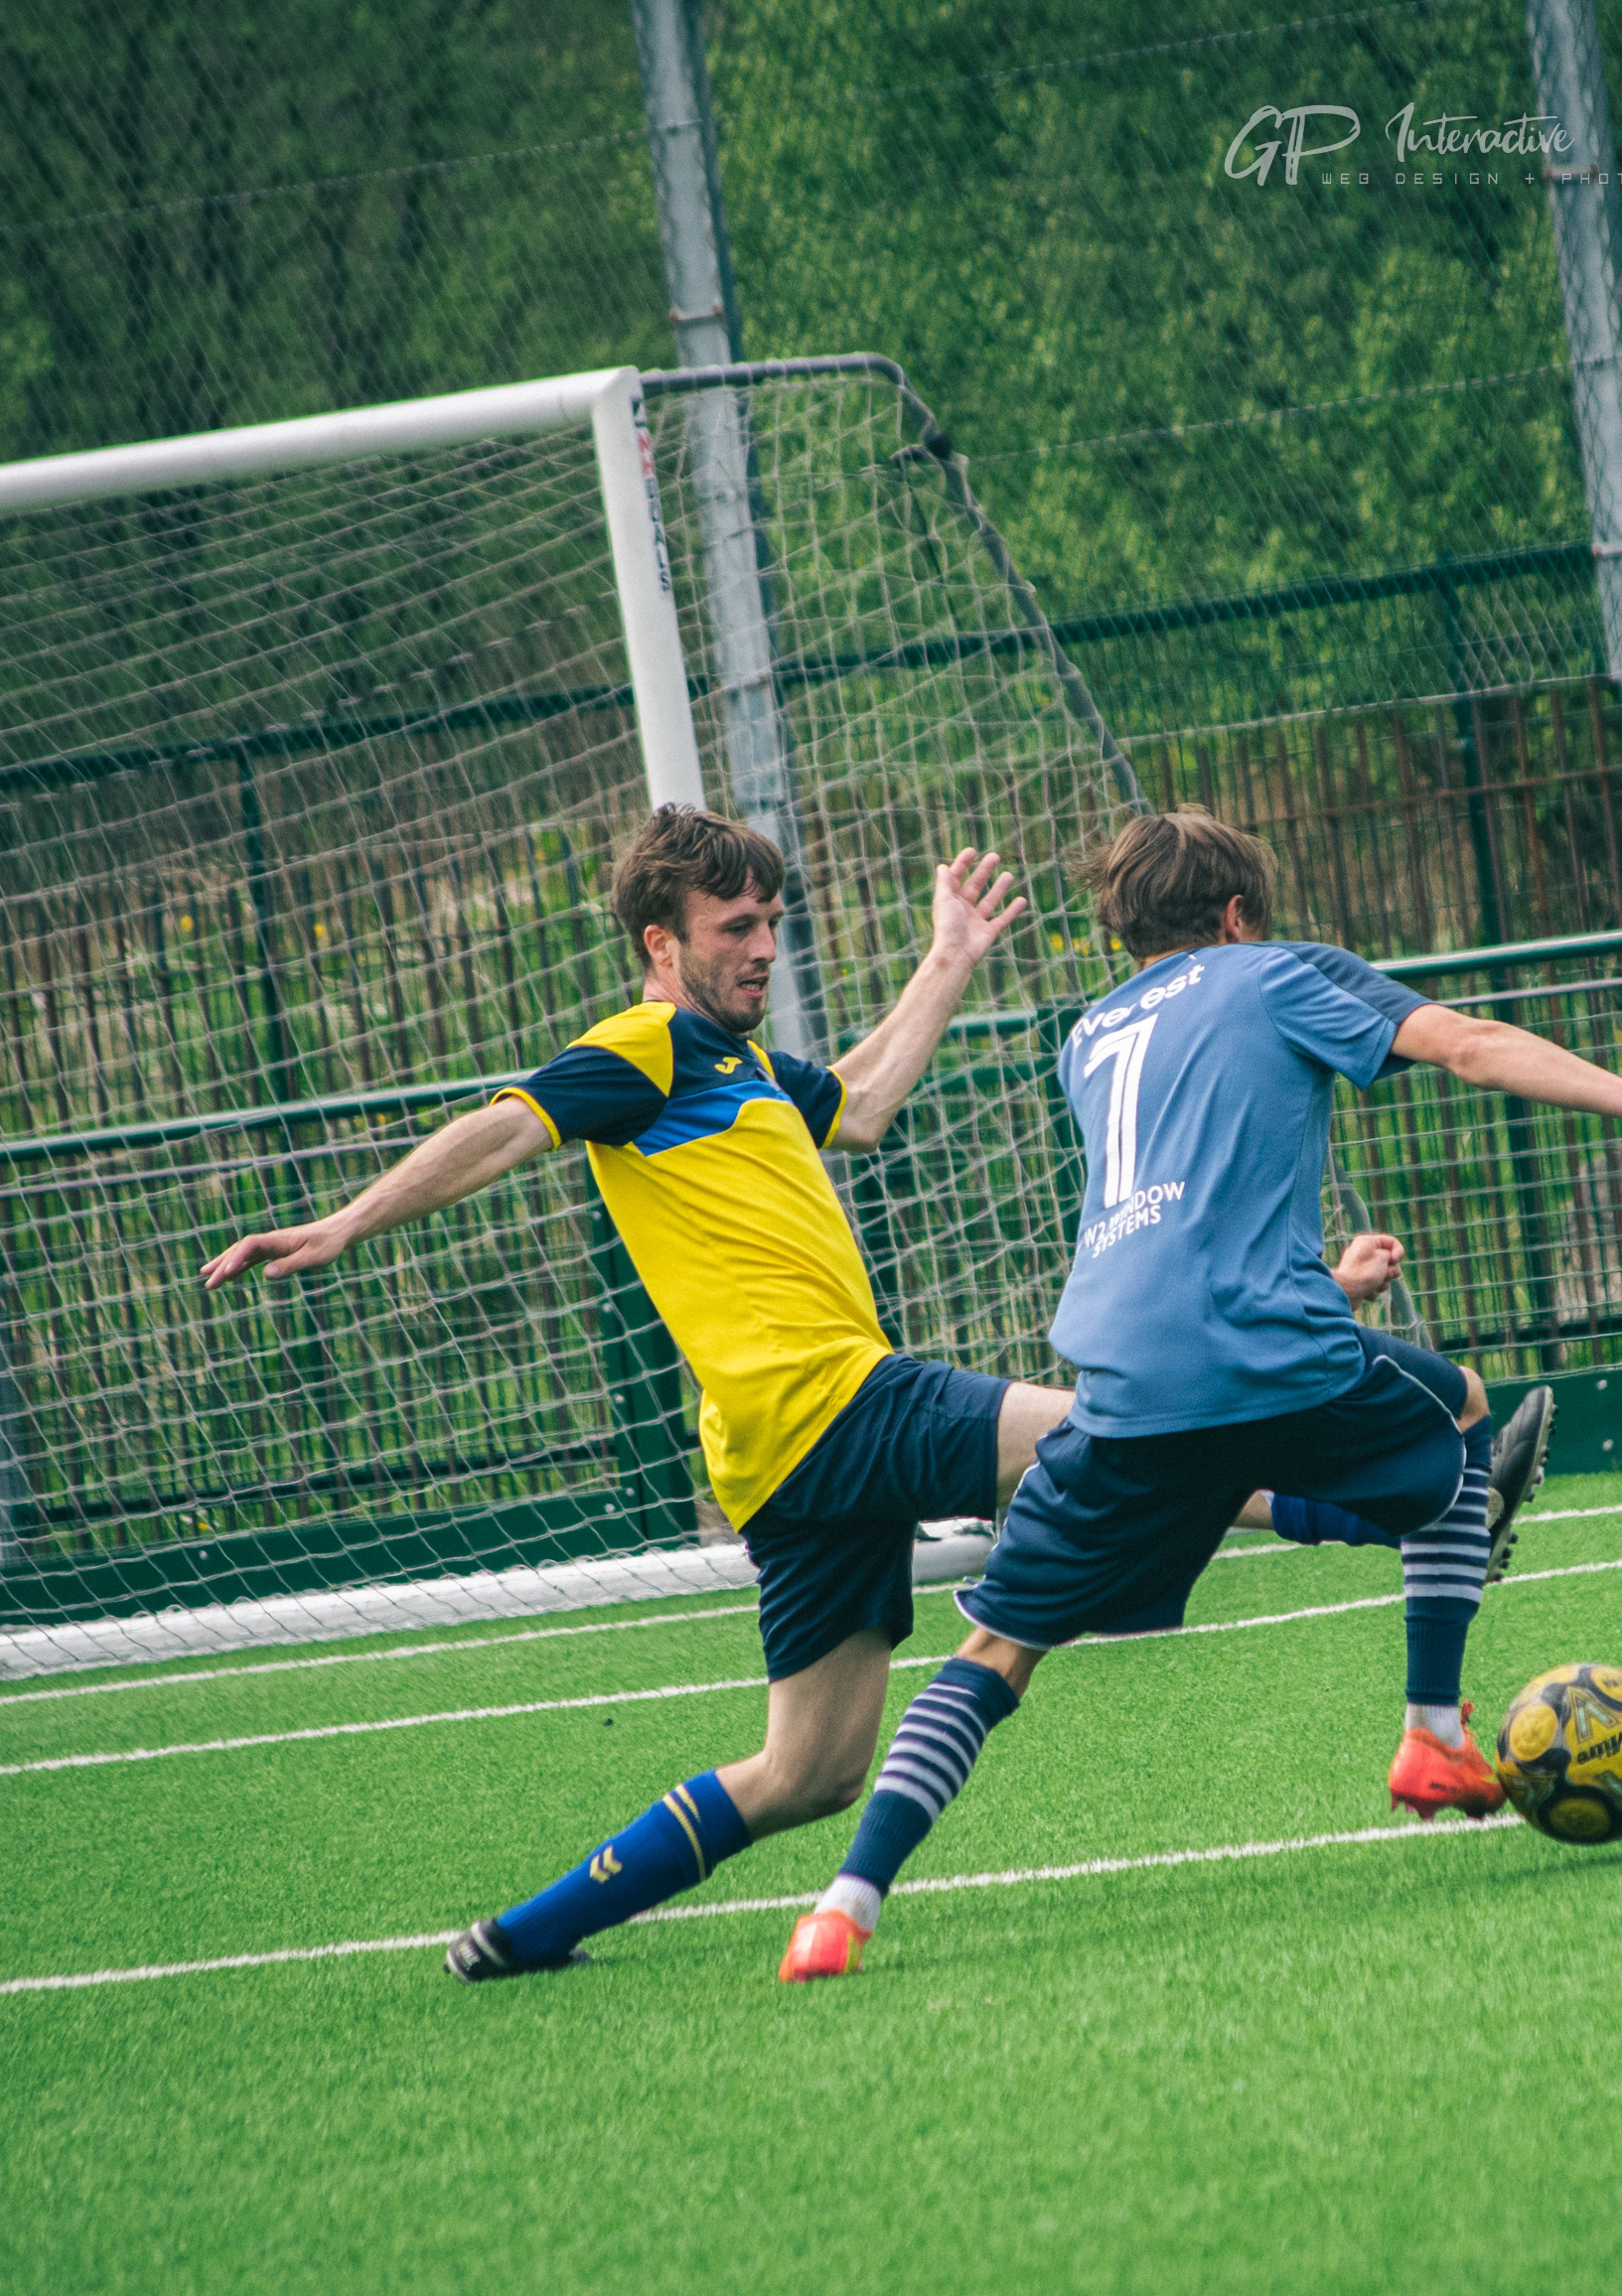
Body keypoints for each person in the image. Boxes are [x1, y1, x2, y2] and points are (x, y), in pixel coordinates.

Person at [200, 805, 1537, 1982]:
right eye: (733, 926)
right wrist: (340, 1228)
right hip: (838, 1401)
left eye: (772, 922)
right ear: (659, 943)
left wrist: (948, 958)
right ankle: (1407, 1515)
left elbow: (869, 1101)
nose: (760, 948)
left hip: (778, 1460)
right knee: (1114, 1427)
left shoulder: (743, 1070)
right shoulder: (641, 1050)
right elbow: (504, 1123)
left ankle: (530, 1929)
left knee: (809, 1773)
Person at [775, 807, 1622, 1981]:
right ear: (1238, 915)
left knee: (996, 1652)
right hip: (1257, 1348)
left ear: (1126, 930)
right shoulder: (1277, 972)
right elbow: (1470, 1043)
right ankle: (1432, 1735)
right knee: (1458, 1411)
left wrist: (1320, 1281)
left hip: (1121, 1378)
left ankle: (842, 1907)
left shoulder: (1088, 1036)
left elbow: (1186, 1206)